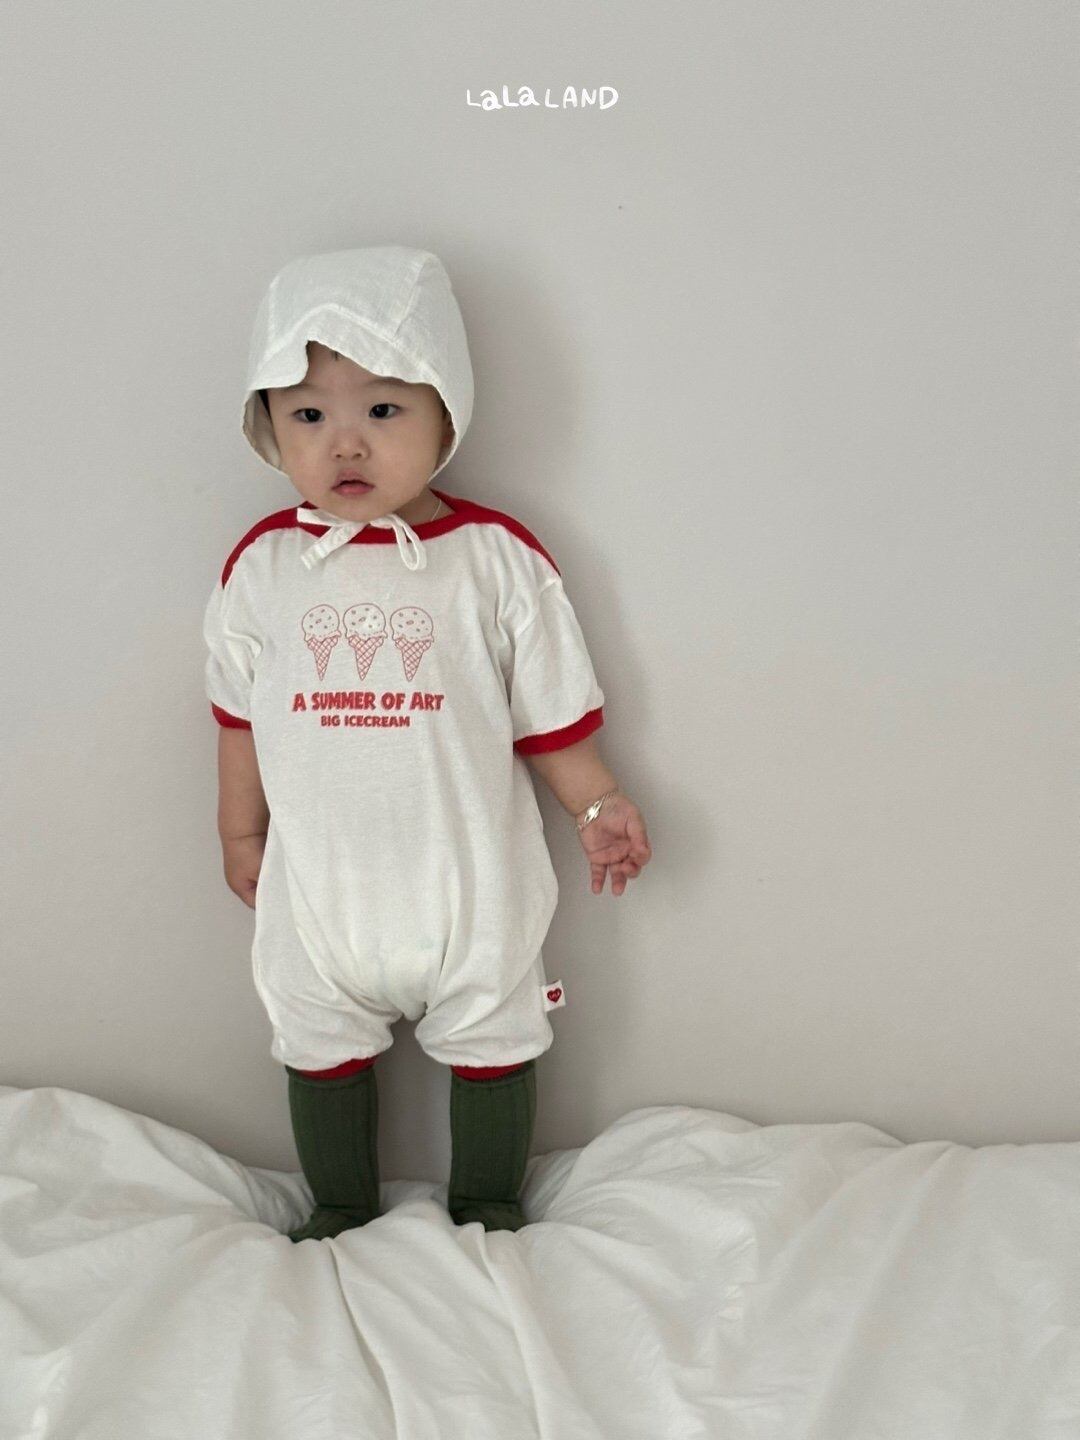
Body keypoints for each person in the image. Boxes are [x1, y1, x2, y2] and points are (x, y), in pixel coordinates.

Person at [203, 246, 653, 1242]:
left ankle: (488, 1202)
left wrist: (596, 803)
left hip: (469, 881)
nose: (345, 444)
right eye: (307, 415)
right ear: (268, 424)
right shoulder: (264, 568)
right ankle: (339, 1205)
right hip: (321, 887)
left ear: (447, 415)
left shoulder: (494, 561)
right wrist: (241, 834)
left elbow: (550, 718)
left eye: (383, 409)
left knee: (495, 1030)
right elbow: (238, 717)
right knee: (315, 1035)